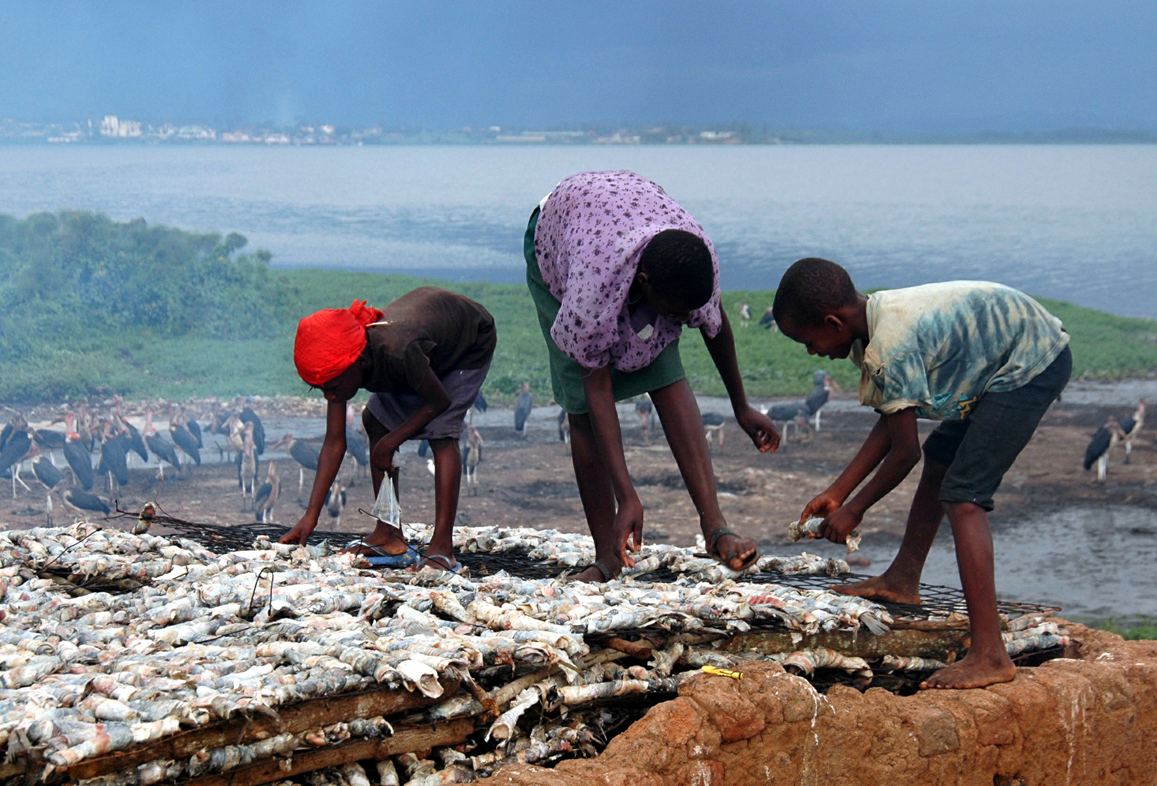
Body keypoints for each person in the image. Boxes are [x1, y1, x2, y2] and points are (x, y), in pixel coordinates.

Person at [772, 258, 1071, 690]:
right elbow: (892, 420)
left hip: (1030, 362)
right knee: (942, 456)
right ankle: (902, 579)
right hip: (997, 357)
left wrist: (854, 510)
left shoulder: (889, 346)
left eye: (809, 342)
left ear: (834, 322)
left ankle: (990, 655)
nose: (813, 352)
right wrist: (837, 491)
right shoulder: (869, 328)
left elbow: (903, 452)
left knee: (964, 498)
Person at [527, 170, 779, 583]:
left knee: (665, 371)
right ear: (644, 283)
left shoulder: (696, 259)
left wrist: (742, 406)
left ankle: (715, 527)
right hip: (562, 236)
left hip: (628, 216)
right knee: (580, 407)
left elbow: (714, 323)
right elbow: (596, 383)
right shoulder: (592, 284)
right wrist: (627, 495)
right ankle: (607, 557)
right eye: (677, 312)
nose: (681, 322)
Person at [279, 288, 496, 571]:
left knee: (442, 433)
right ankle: (389, 533)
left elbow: (438, 400)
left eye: (330, 388)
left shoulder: (396, 352)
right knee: (375, 422)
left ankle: (442, 547)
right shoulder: (341, 368)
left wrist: (391, 442)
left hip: (466, 342)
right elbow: (334, 443)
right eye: (320, 389)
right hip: (422, 349)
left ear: (357, 363)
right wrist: (311, 515)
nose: (328, 396)